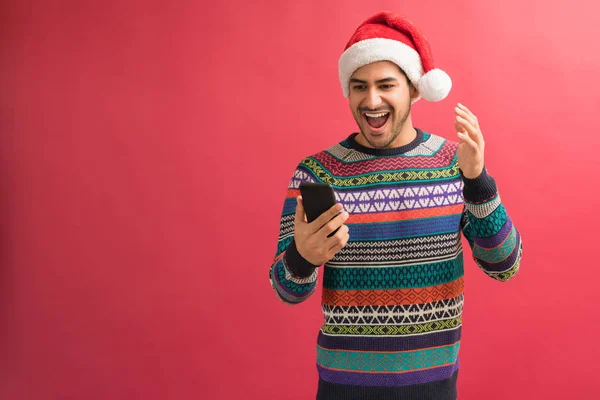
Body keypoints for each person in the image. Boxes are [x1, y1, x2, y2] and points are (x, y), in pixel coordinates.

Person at [269, 11, 523, 400]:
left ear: (415, 90)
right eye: (359, 87)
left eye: (386, 84)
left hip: (434, 389)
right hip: (342, 389)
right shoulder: (317, 174)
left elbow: (504, 264)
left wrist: (477, 180)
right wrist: (302, 256)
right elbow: (287, 291)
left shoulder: (453, 164)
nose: (371, 101)